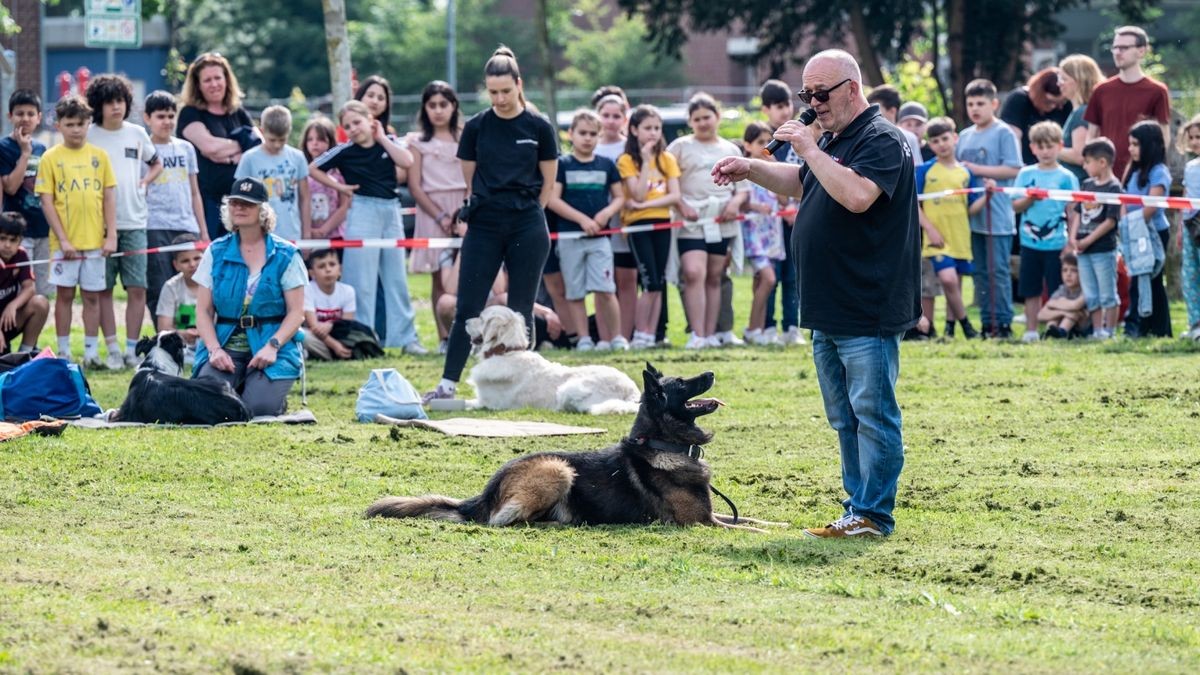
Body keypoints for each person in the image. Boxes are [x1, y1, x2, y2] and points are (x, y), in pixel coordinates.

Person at [712, 49, 920, 538]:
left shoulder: (883, 138)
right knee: (843, 417)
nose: (812, 104)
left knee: (872, 413)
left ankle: (874, 514)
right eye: (806, 95)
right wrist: (750, 168)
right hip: (828, 303)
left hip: (866, 302)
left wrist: (808, 146)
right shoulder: (836, 140)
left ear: (852, 87)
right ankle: (857, 507)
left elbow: (856, 195)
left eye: (820, 94)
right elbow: (805, 183)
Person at [423, 46, 558, 404]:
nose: (499, 98)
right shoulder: (477, 127)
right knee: (467, 306)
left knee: (521, 307)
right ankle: (447, 385)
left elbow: (548, 184)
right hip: (485, 224)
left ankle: (520, 387)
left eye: (505, 91)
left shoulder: (539, 126)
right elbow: (470, 183)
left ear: (519, 84)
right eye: (492, 92)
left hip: (527, 222)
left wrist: (528, 216)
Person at [309, 100, 424, 353]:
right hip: (362, 210)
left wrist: (382, 137)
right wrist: (340, 188)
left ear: (370, 120)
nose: (353, 129)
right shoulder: (345, 150)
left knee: (397, 278)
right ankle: (364, 338)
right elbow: (314, 167)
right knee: (361, 279)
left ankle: (406, 339)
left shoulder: (388, 141)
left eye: (357, 122)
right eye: (347, 126)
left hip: (391, 209)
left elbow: (406, 161)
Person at [193, 177, 306, 417]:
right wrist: (214, 350)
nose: (239, 208)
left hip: (271, 345)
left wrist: (272, 347)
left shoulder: (286, 254)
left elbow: (296, 313)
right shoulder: (215, 252)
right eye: (234, 203)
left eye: (248, 203)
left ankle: (261, 392)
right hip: (225, 346)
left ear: (263, 211)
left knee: (257, 409)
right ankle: (240, 384)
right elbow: (203, 311)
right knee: (205, 403)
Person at [86, 73, 162, 369]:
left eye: (119, 100)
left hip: (135, 220)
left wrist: (144, 181)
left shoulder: (137, 133)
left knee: (137, 288)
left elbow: (156, 163)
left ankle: (132, 350)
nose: (115, 107)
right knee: (103, 289)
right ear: (98, 105)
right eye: (109, 102)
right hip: (98, 226)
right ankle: (112, 348)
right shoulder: (89, 134)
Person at [34, 96, 117, 366]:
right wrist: (64, 240)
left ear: (88, 123)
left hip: (94, 243)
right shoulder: (50, 157)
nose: (76, 129)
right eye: (70, 124)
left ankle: (92, 353)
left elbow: (108, 196)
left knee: (92, 297)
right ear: (59, 125)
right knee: (65, 296)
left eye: (81, 123)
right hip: (64, 246)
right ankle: (64, 351)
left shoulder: (100, 157)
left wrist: (111, 234)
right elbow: (47, 201)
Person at [668, 93, 748, 349]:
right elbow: (666, 181)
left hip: (722, 219)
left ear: (717, 117)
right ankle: (698, 334)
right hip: (691, 221)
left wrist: (734, 204)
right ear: (690, 121)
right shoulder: (679, 147)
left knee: (715, 275)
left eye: (707, 117)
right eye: (697, 118)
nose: (703, 122)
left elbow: (744, 187)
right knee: (693, 272)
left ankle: (711, 334)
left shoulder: (730, 149)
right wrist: (680, 204)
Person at [547, 109, 625, 351]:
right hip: (570, 238)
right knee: (575, 291)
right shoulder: (562, 164)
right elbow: (553, 199)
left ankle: (615, 338)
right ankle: (583, 339)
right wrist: (582, 220)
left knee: (606, 288)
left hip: (600, 238)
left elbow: (619, 197)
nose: (587, 138)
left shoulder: (606, 165)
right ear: (571, 134)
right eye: (582, 133)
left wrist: (604, 215)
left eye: (593, 134)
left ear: (599, 136)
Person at [957, 79, 1023, 338]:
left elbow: (1013, 168)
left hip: (997, 215)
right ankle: (987, 322)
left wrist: (978, 170)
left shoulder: (1004, 133)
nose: (975, 108)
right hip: (973, 217)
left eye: (981, 103)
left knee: (999, 271)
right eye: (971, 103)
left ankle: (1003, 322)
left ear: (994, 104)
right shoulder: (964, 136)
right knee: (981, 273)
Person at [406, 81, 466, 353]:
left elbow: (473, 176)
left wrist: (464, 213)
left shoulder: (466, 136)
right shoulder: (418, 143)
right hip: (432, 210)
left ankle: (467, 333)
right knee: (438, 277)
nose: (439, 111)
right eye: (432, 105)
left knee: (468, 270)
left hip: (464, 208)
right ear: (425, 109)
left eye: (444, 104)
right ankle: (444, 337)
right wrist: (441, 215)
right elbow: (415, 186)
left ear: (454, 106)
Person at [178, 53, 259, 241]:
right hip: (208, 204)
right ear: (197, 85)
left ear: (227, 80)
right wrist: (242, 145)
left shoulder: (237, 112)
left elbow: (258, 145)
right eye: (207, 80)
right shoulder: (190, 114)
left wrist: (229, 153)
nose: (214, 84)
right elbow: (210, 147)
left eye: (218, 78)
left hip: (241, 201)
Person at [619, 104, 681, 350]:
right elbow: (639, 194)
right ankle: (640, 333)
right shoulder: (626, 161)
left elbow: (675, 195)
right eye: (647, 128)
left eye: (657, 128)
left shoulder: (667, 158)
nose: (653, 133)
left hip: (663, 222)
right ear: (634, 130)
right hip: (638, 226)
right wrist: (645, 162)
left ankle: (651, 333)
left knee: (659, 280)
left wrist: (642, 203)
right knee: (649, 280)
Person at [1011, 121, 1079, 342]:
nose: (1045, 151)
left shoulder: (1067, 177)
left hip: (1057, 242)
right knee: (1030, 288)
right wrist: (1030, 197)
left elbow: (1074, 210)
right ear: (1032, 148)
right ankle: (1031, 330)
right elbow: (1015, 205)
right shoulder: (1025, 173)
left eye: (1050, 146)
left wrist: (1072, 239)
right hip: (1029, 242)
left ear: (1060, 146)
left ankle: (1056, 328)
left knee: (1058, 287)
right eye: (1040, 147)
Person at [917, 116, 983, 340]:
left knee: (956, 283)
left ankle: (950, 327)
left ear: (954, 138)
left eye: (945, 138)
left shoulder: (966, 172)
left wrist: (988, 196)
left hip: (960, 237)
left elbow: (970, 208)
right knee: (948, 280)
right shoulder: (925, 171)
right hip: (936, 238)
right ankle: (967, 326)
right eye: (935, 141)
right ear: (930, 145)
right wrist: (930, 229)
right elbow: (914, 204)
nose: (941, 144)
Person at [144, 90, 208, 321]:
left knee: (193, 281)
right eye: (161, 116)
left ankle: (191, 334)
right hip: (154, 226)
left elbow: (194, 191)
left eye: (171, 116)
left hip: (185, 224)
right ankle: (164, 335)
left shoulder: (186, 148)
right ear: (147, 118)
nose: (167, 122)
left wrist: (202, 230)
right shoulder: (143, 149)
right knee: (159, 284)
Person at [1085, 26, 1171, 177]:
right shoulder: (1101, 90)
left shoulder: (1157, 91)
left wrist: (1153, 171)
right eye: (1115, 47)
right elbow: (1091, 135)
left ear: (1141, 51)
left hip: (1140, 175)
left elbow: (1163, 137)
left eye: (1124, 47)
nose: (1118, 53)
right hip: (1106, 176)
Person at [759, 79, 803, 345]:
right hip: (769, 222)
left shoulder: (800, 135)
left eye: (787, 104)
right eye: (777, 106)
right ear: (766, 109)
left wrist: (794, 209)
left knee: (793, 275)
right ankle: (766, 327)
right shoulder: (763, 139)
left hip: (797, 217)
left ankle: (791, 326)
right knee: (770, 276)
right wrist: (782, 207)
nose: (784, 111)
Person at [1067, 138, 1122, 339]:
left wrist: (1088, 240)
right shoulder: (1087, 184)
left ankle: (1110, 331)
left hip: (1104, 249)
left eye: (1087, 162)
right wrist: (1073, 237)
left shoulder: (1114, 188)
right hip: (1083, 249)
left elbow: (1110, 221)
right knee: (1091, 294)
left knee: (1108, 293)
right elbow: (1078, 213)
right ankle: (1097, 330)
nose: (1084, 166)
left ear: (1102, 162)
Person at [1122, 119, 1172, 338]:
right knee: (1136, 281)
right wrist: (1126, 224)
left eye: (1135, 144)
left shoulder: (1159, 172)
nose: (1130, 149)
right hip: (1133, 233)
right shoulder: (1132, 171)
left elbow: (1151, 206)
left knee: (1152, 282)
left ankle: (1160, 329)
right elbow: (1123, 199)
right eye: (1130, 144)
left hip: (1153, 233)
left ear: (1149, 146)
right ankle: (1138, 327)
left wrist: (1131, 222)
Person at [594, 89, 637, 341]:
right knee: (602, 283)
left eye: (616, 115)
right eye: (605, 115)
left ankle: (625, 336)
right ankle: (604, 337)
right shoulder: (591, 146)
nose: (610, 120)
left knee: (626, 280)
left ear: (624, 118)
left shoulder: (630, 148)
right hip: (598, 224)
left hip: (626, 223)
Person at [0, 89, 52, 297]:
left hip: (43, 229)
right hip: (19, 232)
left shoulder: (43, 149)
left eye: (31, 114)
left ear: (39, 118)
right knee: (22, 289)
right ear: (10, 116)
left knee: (43, 292)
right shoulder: (4, 147)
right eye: (20, 113)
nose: (25, 118)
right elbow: (10, 186)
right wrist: (24, 154)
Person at [739, 122, 786, 345]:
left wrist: (776, 168)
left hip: (771, 234)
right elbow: (742, 201)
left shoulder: (774, 168)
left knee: (761, 282)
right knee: (769, 279)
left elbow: (785, 198)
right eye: (760, 142)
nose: (765, 146)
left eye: (768, 141)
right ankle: (752, 328)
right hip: (754, 233)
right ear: (747, 145)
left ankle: (756, 330)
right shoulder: (745, 170)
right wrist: (757, 208)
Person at [235, 105, 310, 242]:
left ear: (289, 132)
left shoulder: (297, 157)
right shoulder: (249, 159)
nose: (277, 145)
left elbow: (305, 198)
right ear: (262, 132)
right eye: (272, 140)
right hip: (260, 235)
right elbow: (240, 199)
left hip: (292, 233)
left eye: (282, 140)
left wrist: (306, 234)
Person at [999, 68, 1073, 165]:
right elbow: (1013, 137)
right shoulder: (1019, 99)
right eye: (1049, 102)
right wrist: (1017, 165)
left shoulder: (1066, 106)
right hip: (1026, 162)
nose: (1053, 107)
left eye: (1060, 103)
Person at [0, 212, 49, 354]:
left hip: (7, 319)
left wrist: (12, 305)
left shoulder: (21, 255)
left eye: (12, 240)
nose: (7, 245)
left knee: (40, 303)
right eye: (2, 239)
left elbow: (29, 288)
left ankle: (25, 355)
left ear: (20, 241)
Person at [156, 233, 202, 363]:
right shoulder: (171, 287)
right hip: (181, 346)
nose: (192, 264)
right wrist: (184, 334)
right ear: (176, 265)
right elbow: (163, 329)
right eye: (185, 261)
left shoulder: (214, 285)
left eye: (197, 258)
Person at [303, 248, 356, 361]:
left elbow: (346, 324)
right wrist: (335, 346)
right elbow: (313, 326)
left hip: (339, 337)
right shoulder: (307, 290)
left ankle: (332, 354)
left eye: (332, 264)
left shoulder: (348, 291)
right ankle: (335, 354)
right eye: (321, 266)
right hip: (318, 339)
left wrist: (331, 325)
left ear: (340, 269)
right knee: (302, 335)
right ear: (312, 273)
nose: (328, 269)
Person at [1057, 55, 1104, 182]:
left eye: (1063, 78)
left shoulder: (1082, 112)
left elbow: (1080, 155)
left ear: (1079, 80)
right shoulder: (1079, 111)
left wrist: (1050, 148)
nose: (1059, 83)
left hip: (1078, 183)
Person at [1179, 116, 1200, 340]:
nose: (1195, 142)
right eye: (1192, 137)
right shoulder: (1190, 166)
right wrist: (1180, 230)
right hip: (1189, 225)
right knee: (1190, 274)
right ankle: (1195, 322)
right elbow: (1185, 197)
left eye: (1199, 137)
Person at [866, 84, 924, 164]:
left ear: (892, 111)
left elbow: (917, 170)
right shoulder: (869, 139)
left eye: (876, 111)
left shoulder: (910, 138)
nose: (872, 115)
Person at [1039, 253, 1090, 338]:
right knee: (1055, 315)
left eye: (1074, 270)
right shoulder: (1062, 289)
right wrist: (1062, 312)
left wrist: (1060, 303)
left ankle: (1062, 332)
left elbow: (1076, 305)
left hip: (1083, 327)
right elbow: (1041, 315)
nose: (1068, 274)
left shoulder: (1085, 289)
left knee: (1074, 312)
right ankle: (1050, 332)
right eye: (1065, 270)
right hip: (1067, 322)